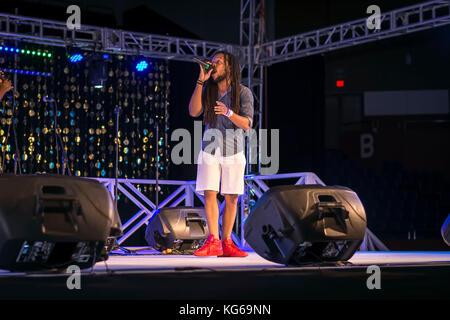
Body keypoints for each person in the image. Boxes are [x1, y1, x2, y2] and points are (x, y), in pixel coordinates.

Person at [188, 51, 254, 257]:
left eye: (218, 62)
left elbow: (247, 124)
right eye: (212, 61)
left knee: (231, 197)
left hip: (233, 150)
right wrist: (201, 80)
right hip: (210, 148)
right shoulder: (209, 90)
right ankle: (213, 240)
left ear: (229, 67)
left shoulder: (243, 92)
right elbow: (193, 111)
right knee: (209, 192)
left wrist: (228, 112)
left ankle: (227, 242)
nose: (213, 65)